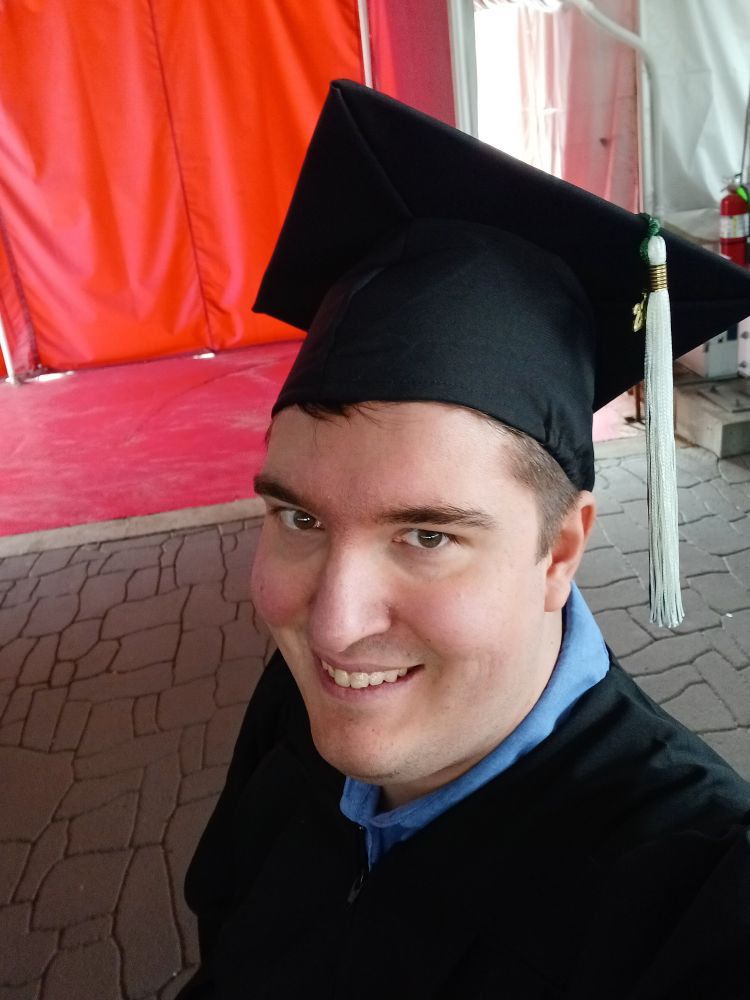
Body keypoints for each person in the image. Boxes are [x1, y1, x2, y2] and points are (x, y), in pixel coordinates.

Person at [178, 81, 750, 999]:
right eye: (301, 519)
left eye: (427, 536)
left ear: (560, 551)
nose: (331, 627)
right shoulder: (295, 709)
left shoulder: (700, 898)